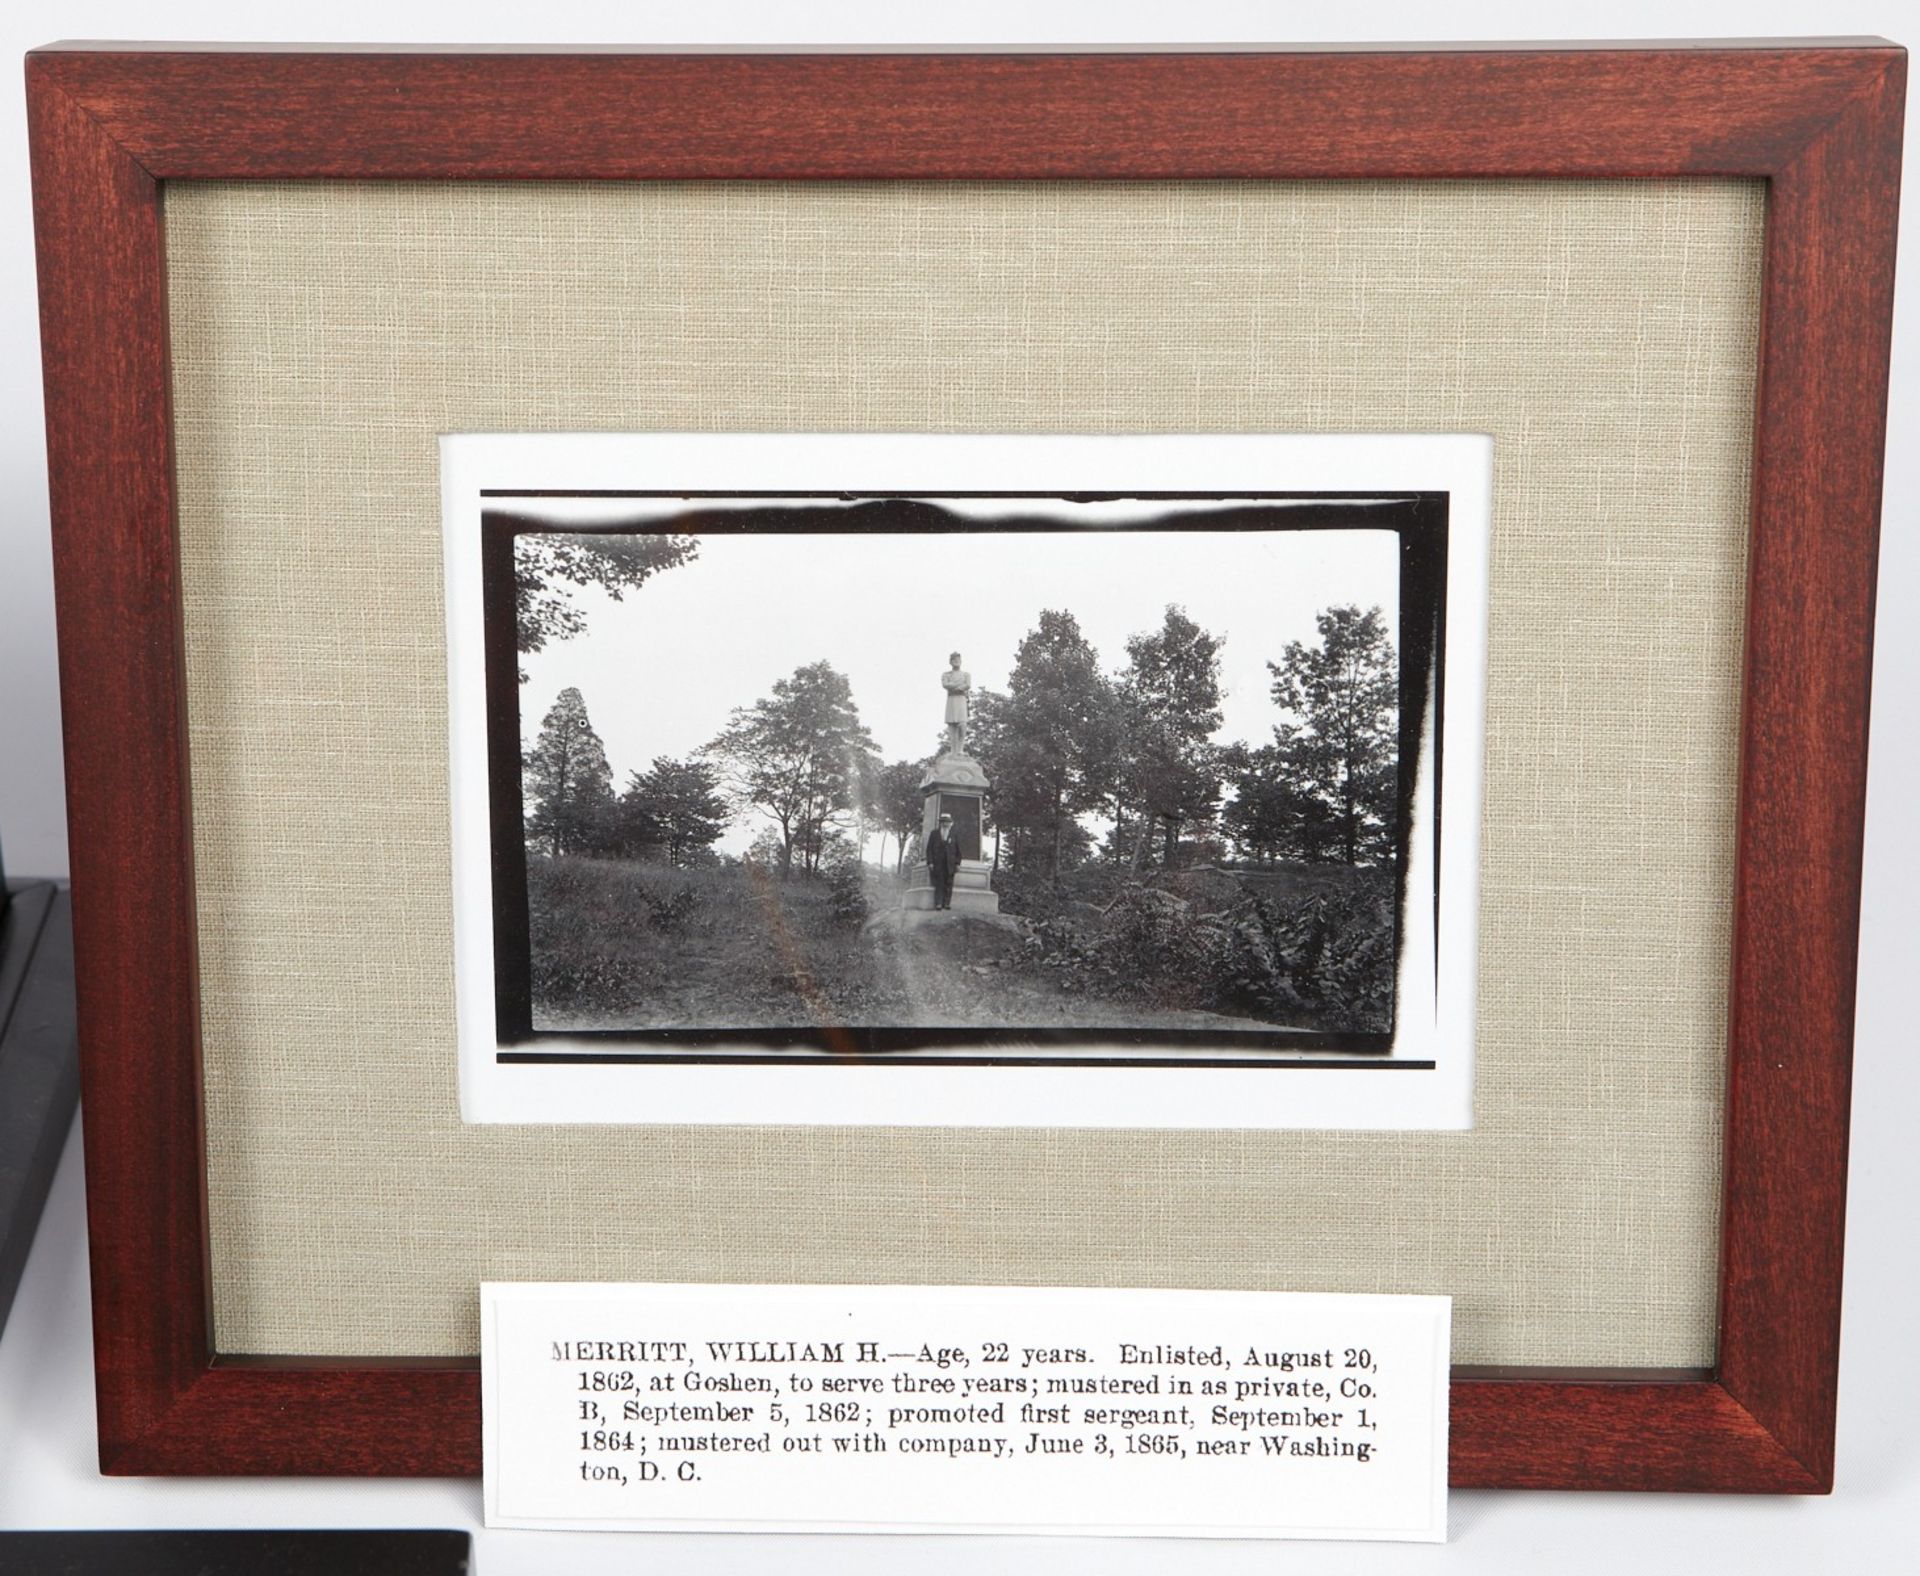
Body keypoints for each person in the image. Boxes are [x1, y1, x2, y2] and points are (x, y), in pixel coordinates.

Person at [925, 811, 963, 910]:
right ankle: (938, 903)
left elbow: (959, 851)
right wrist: (930, 862)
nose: (945, 824)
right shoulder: (934, 834)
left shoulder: (954, 834)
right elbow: (929, 849)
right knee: (939, 883)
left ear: (950, 823)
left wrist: (958, 863)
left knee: (949, 883)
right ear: (940, 823)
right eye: (943, 822)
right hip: (938, 863)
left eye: (947, 822)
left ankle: (947, 903)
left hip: (950, 864)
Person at [940, 651, 971, 754]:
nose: (956, 662)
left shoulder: (966, 674)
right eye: (954, 660)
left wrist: (954, 685)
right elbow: (945, 684)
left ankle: (961, 749)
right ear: (951, 662)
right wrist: (958, 685)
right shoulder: (946, 674)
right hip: (951, 699)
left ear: (961, 661)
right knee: (952, 726)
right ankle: (953, 750)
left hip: (961, 699)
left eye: (958, 660)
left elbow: (967, 685)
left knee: (962, 724)